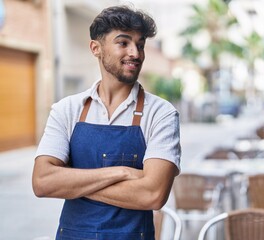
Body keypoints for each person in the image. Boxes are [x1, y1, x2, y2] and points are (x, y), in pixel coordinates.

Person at [32, 5, 181, 240]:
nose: (136, 53)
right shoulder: (67, 110)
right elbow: (42, 182)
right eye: (124, 43)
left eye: (140, 45)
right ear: (96, 48)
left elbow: (152, 194)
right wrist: (122, 172)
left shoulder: (161, 114)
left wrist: (72, 183)